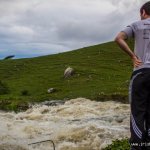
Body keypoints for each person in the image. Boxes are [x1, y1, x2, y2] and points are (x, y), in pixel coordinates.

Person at [115, 1, 150, 150]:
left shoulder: (136, 25)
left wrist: (132, 56)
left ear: (143, 12)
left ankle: (137, 146)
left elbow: (118, 38)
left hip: (141, 72)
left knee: (137, 112)